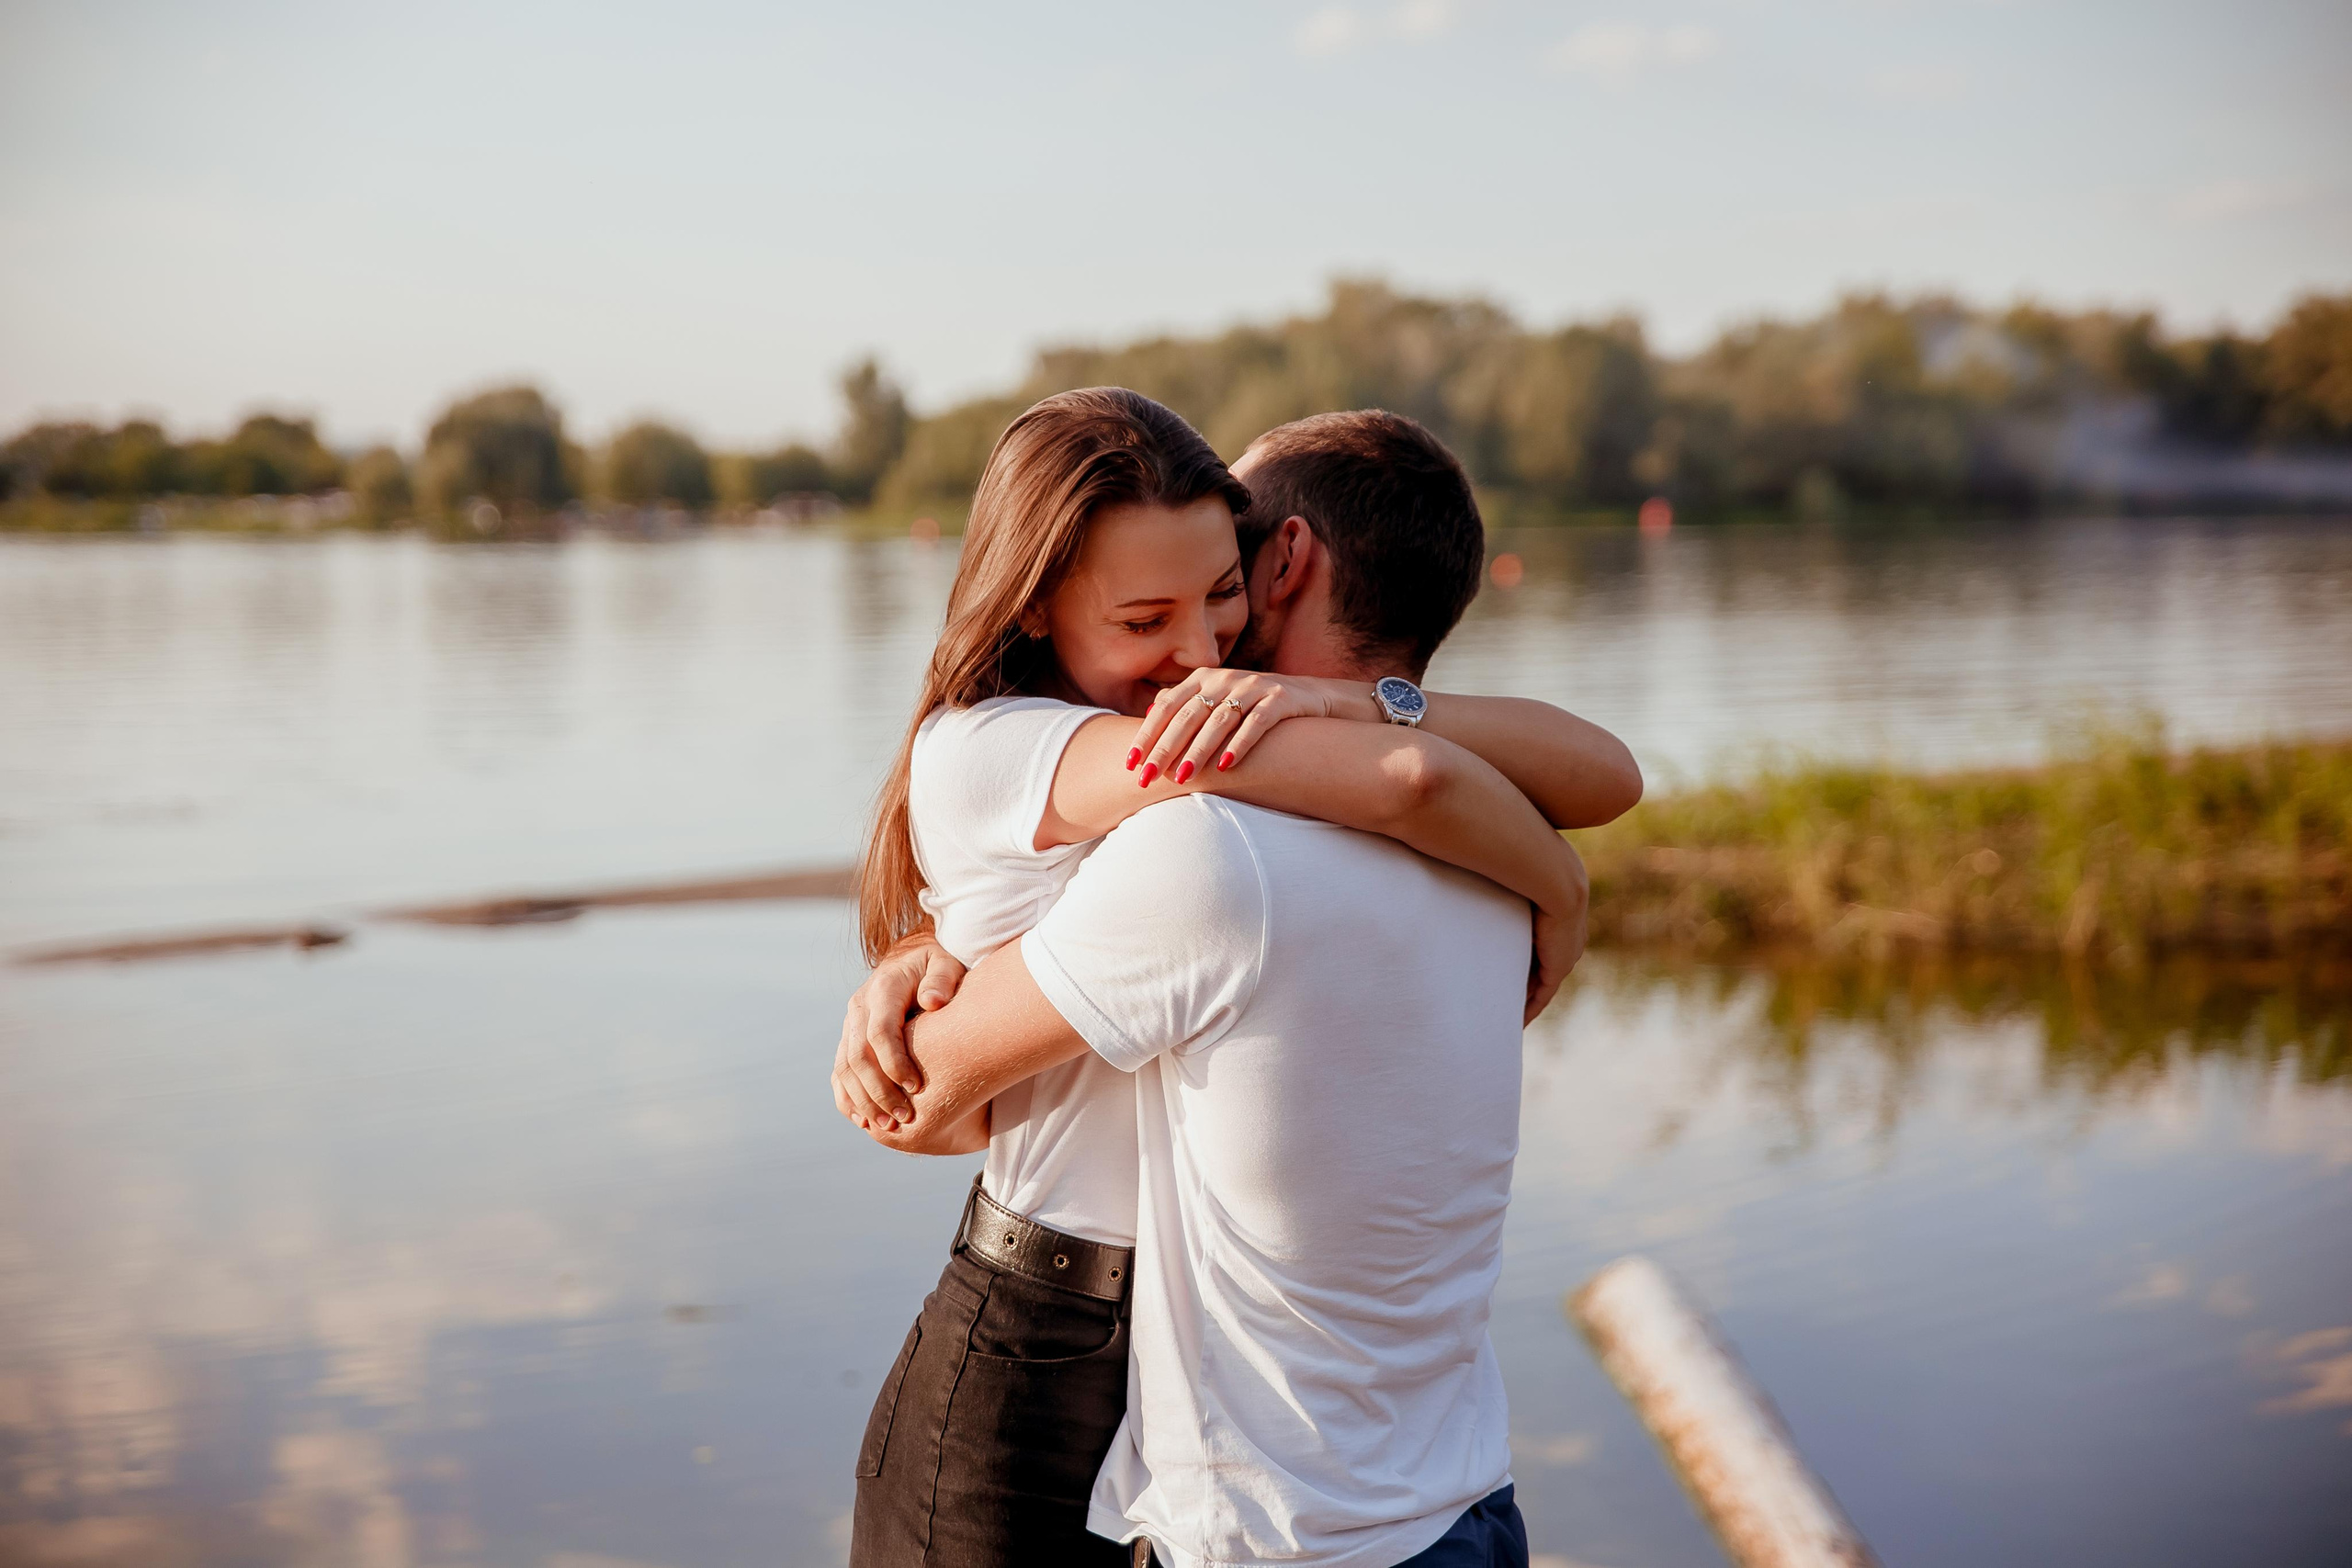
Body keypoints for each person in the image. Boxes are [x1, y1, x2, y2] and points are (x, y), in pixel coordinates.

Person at [838, 391, 1640, 1567]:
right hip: (1047, 1352)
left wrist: (938, 958)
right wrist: (1557, 882)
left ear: (1280, 559)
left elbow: (1473, 777)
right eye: (1146, 613)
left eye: (1221, 585)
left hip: (1211, 1430)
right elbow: (1427, 782)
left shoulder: (1225, 829)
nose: (1204, 651)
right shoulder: (1159, 794)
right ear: (1036, 603)